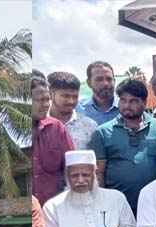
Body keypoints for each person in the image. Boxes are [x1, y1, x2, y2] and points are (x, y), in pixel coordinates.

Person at [91, 78, 156, 215]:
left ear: (144, 102)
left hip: (155, 205)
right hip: (118, 207)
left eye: (133, 101)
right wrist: (102, 204)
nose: (127, 105)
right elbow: (99, 172)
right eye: (123, 100)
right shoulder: (102, 132)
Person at [33, 74, 74, 205]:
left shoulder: (56, 128)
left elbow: (72, 167)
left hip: (55, 211)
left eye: (48, 99)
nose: (46, 105)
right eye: (39, 100)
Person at [49, 71, 99, 151]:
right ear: (51, 94)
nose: (71, 101)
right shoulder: (39, 124)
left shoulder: (90, 126)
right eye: (65, 96)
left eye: (75, 97)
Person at [81, 61, 119, 126]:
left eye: (109, 79)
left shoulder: (128, 107)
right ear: (89, 83)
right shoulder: (78, 109)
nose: (105, 84)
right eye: (99, 79)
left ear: (114, 81)